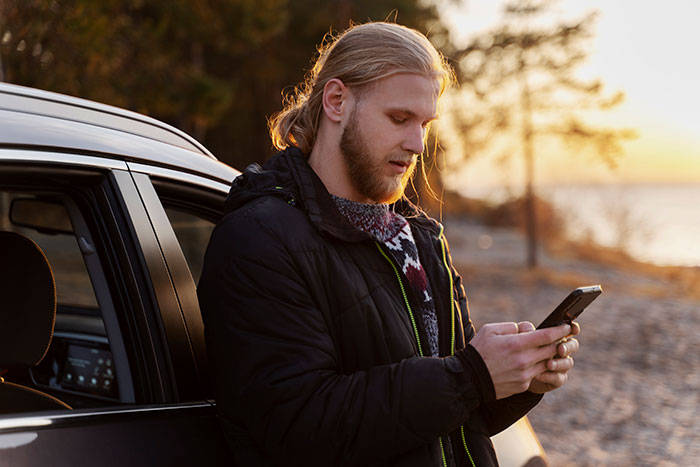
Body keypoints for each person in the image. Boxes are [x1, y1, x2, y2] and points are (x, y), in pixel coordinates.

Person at [198, 21, 579, 467]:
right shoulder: (259, 238)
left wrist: (517, 379)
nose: (417, 144)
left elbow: (450, 416)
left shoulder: (419, 238)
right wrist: (472, 375)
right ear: (337, 101)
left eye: (424, 124)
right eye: (399, 118)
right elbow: (298, 427)